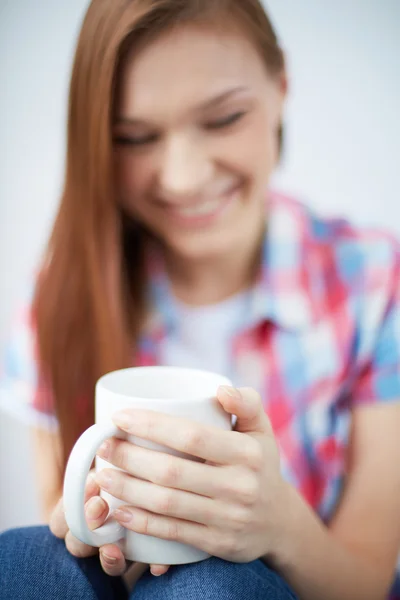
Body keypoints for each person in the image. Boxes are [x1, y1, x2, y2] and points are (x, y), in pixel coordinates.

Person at [1, 0, 400, 598]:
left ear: (281, 89)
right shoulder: (63, 296)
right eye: (134, 138)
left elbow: (366, 583)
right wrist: (91, 531)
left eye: (223, 119)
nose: (183, 176)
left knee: (211, 583)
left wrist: (281, 528)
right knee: (29, 558)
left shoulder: (373, 280)